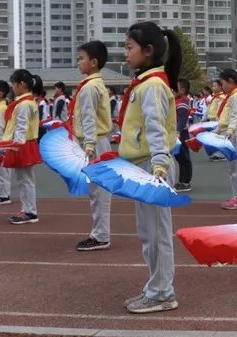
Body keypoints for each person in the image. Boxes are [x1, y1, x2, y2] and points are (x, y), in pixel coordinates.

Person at [119, 21, 182, 314]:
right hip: (142, 165)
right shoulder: (146, 83)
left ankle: (162, 292)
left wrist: (158, 166)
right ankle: (156, 286)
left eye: (129, 47)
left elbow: (156, 128)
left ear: (148, 50)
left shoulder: (154, 86)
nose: (125, 53)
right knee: (148, 232)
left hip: (151, 167)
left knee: (157, 233)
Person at [72, 41, 114, 252]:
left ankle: (101, 235)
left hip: (95, 141)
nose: (78, 62)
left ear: (94, 62)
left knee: (98, 192)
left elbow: (89, 118)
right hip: (96, 140)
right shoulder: (96, 84)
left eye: (82, 58)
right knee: (97, 191)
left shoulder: (90, 87)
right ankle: (100, 232)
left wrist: (88, 145)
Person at [0, 71, 43, 225]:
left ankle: (30, 211)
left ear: (22, 85)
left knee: (25, 180)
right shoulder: (25, 102)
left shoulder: (25, 104)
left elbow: (21, 126)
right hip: (21, 143)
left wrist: (15, 145)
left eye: (14, 85)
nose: (12, 88)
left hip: (22, 144)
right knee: (23, 180)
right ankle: (27, 209)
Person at [216, 68, 237, 210]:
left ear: (230, 81)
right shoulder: (231, 95)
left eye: (222, 82)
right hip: (228, 132)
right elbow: (225, 117)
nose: (221, 85)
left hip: (233, 133)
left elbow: (235, 115)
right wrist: (217, 130)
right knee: (232, 167)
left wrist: (229, 131)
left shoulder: (236, 96)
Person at [174, 79, 194, 192]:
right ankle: (181, 181)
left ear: (182, 89)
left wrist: (178, 131)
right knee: (180, 158)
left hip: (181, 133)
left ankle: (186, 182)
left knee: (184, 158)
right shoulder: (177, 100)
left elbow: (182, 119)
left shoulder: (183, 101)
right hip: (178, 132)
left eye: (175, 87)